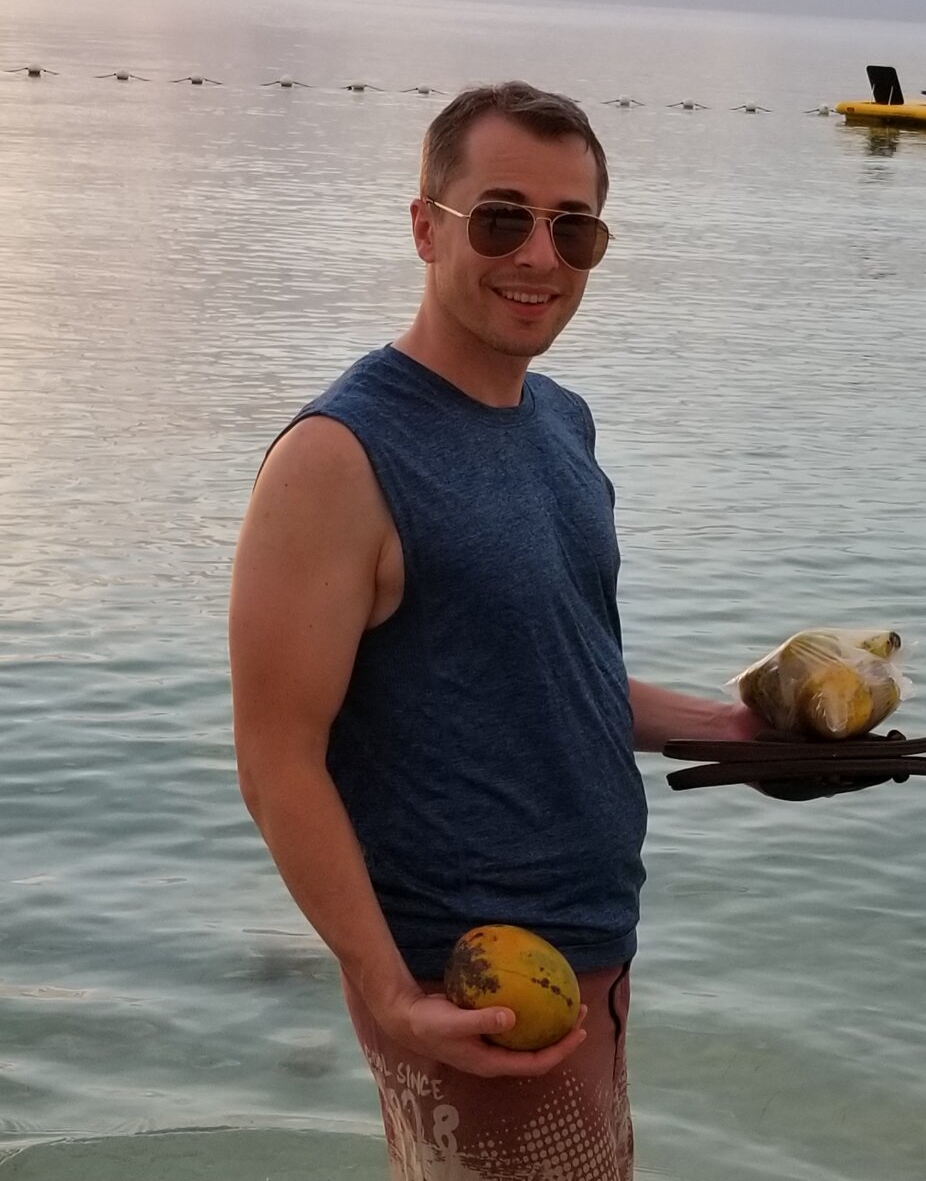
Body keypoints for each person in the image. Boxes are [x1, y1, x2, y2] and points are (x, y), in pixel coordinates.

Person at [229, 81, 761, 1180]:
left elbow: (558, 687)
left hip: (588, 952)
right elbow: (277, 759)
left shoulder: (561, 423)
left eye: (574, 228)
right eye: (503, 217)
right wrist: (388, 992)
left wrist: (740, 735)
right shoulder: (337, 458)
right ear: (426, 226)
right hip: (467, 983)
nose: (539, 256)